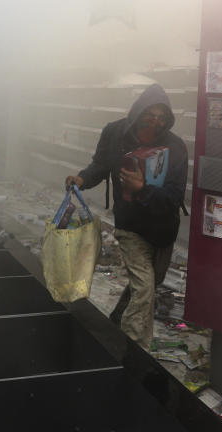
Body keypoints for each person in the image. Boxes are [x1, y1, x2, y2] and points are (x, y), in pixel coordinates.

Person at [65, 83, 188, 350]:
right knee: (144, 289)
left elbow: (174, 198)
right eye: (148, 116)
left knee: (144, 287)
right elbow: (101, 164)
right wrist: (82, 179)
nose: (153, 124)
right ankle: (133, 353)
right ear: (136, 112)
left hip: (163, 230)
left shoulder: (175, 148)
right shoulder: (114, 133)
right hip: (130, 226)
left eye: (160, 119)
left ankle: (114, 324)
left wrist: (142, 190)